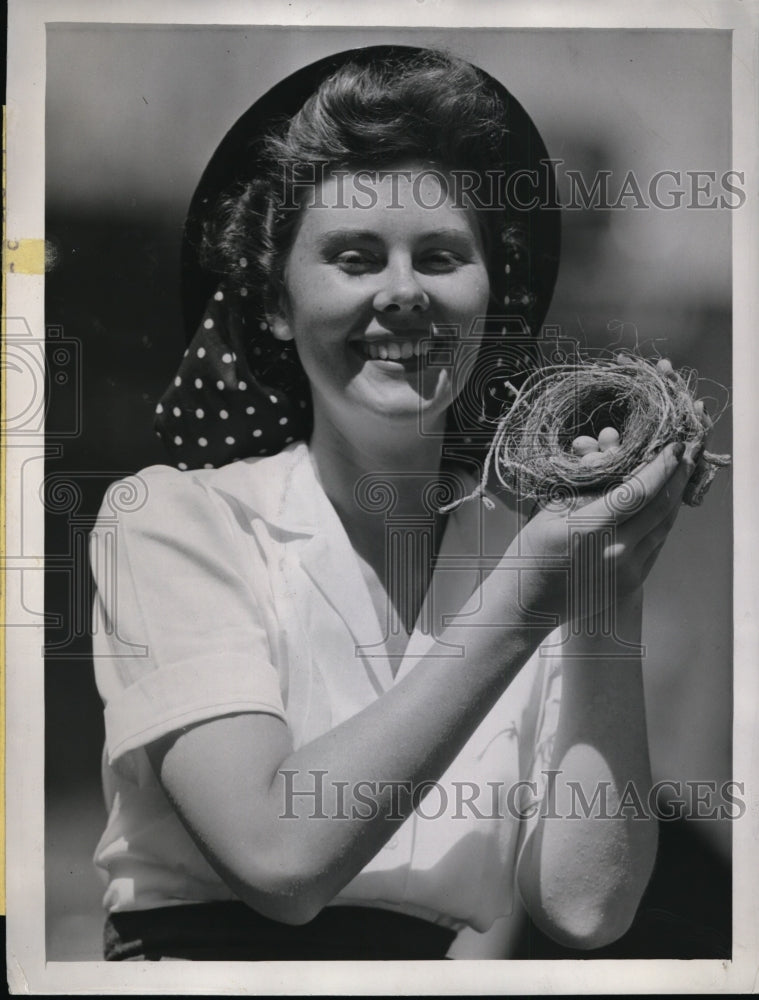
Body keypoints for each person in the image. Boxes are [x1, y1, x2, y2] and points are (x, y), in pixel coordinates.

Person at [90, 46, 703, 961]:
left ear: (490, 298)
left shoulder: (526, 554)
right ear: (274, 302)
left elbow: (585, 906)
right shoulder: (175, 520)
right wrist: (526, 600)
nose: (404, 293)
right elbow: (278, 859)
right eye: (354, 257)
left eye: (442, 256)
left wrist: (602, 596)